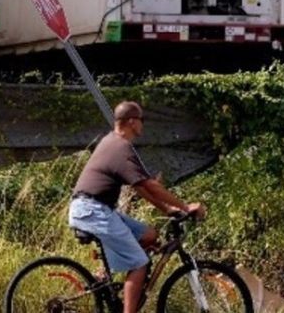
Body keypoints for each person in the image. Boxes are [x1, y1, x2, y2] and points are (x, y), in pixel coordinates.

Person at [69, 100, 206, 313]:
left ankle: (108, 275)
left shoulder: (115, 142)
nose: (143, 124)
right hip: (91, 211)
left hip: (98, 209)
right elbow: (149, 184)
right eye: (142, 120)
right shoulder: (120, 147)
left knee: (150, 236)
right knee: (140, 264)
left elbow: (140, 187)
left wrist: (167, 209)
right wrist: (186, 207)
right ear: (132, 121)